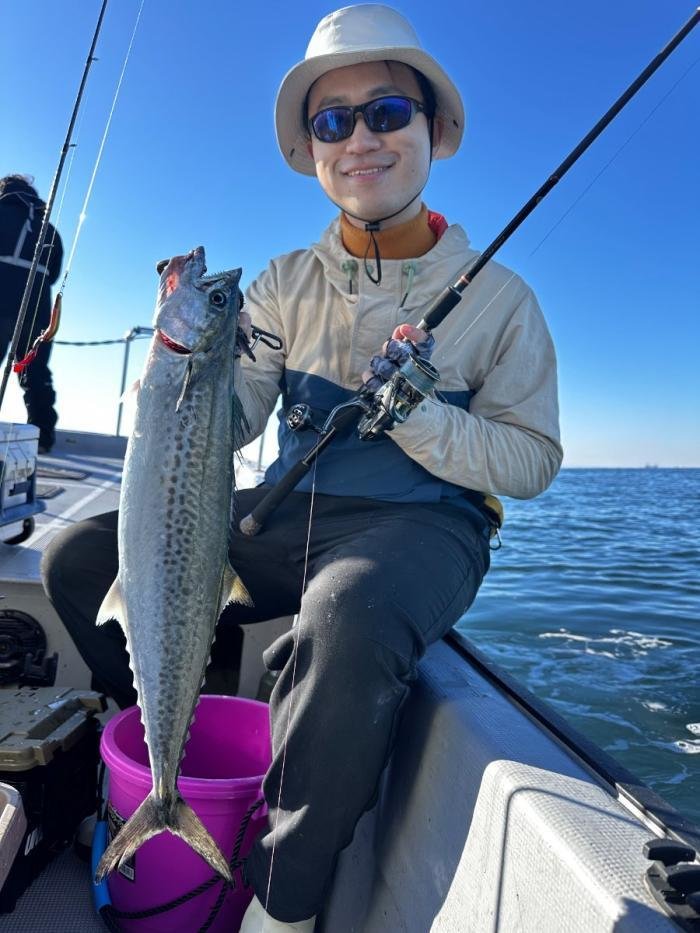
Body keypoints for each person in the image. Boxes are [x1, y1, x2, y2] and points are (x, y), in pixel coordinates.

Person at [41, 5, 563, 931]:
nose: (360, 138)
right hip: (291, 512)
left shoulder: (500, 299)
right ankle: (167, 751)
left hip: (422, 525)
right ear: (313, 147)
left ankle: (281, 903)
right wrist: (186, 370)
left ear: (432, 128)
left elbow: (532, 459)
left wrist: (422, 417)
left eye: (386, 113)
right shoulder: (283, 283)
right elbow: (238, 417)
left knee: (345, 613)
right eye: (333, 120)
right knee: (79, 558)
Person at [0, 174, 63, 454]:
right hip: (36, 310)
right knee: (34, 372)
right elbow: (53, 274)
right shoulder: (50, 230)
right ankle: (42, 438)